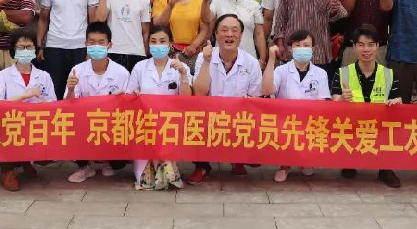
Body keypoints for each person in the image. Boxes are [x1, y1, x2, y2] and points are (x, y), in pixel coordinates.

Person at [187, 14, 263, 183]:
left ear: (241, 36)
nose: (229, 34)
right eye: (224, 30)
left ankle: (238, 159)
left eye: (234, 31)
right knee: (194, 120)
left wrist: (247, 103)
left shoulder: (251, 62)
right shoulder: (204, 56)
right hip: (209, 116)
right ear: (216, 34)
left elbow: (256, 97)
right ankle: (202, 166)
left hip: (239, 116)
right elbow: (199, 92)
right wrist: (207, 62)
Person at [0, 30, 58, 191]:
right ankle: (7, 171)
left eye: (29, 47)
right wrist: (24, 96)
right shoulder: (3, 75)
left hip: (36, 124)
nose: (25, 50)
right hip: (11, 124)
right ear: (13, 50)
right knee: (10, 129)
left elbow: (53, 103)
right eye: (21, 47)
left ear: (35, 49)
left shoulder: (44, 76)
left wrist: (44, 104)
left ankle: (26, 160)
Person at [335, 25, 403, 187]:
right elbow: (334, 101)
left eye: (371, 45)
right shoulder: (342, 72)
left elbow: (397, 98)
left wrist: (396, 102)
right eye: (361, 45)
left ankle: (385, 169)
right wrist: (342, 98)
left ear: (378, 46)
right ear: (354, 47)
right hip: (352, 124)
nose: (366, 49)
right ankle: (349, 162)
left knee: (394, 124)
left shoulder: (389, 73)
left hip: (379, 124)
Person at [127, 25, 192, 190]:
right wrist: (134, 95)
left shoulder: (180, 67)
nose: (158, 45)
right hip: (145, 126)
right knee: (145, 181)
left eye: (162, 41)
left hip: (170, 125)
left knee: (167, 179)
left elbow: (186, 99)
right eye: (153, 41)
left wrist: (183, 75)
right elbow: (130, 96)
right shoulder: (140, 67)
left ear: (170, 44)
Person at [66, 22, 132, 183]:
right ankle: (85, 165)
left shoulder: (121, 73)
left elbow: (129, 106)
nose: (96, 46)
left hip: (111, 123)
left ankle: (108, 161)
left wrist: (123, 99)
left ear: (109, 45)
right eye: (92, 42)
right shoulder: (77, 70)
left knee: (119, 158)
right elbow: (68, 107)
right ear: (86, 44)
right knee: (68, 124)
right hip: (85, 123)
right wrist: (71, 89)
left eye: (101, 42)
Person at [262, 30, 330, 182]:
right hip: (285, 121)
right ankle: (284, 165)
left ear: (313, 49)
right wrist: (271, 60)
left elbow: (322, 102)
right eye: (298, 45)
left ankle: (305, 160)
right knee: (285, 129)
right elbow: (266, 90)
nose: (302, 48)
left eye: (306, 45)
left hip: (309, 121)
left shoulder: (321, 74)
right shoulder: (281, 71)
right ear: (291, 48)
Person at [38, 0, 101, 98]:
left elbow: (93, 20)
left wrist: (91, 47)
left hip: (80, 46)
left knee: (79, 89)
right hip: (55, 46)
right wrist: (40, 45)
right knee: (56, 90)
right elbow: (43, 19)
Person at [152, 0, 212, 71]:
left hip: (193, 53)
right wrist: (170, 5)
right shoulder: (161, 0)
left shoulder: (199, 1)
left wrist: (193, 46)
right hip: (167, 53)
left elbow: (204, 29)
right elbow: (158, 24)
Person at [98, 0, 151, 73]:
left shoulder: (144, 0)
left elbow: (145, 31)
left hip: (137, 52)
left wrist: (145, 51)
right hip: (113, 51)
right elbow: (100, 18)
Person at [204, 0, 266, 65]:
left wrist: (262, 59)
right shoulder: (217, 2)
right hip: (221, 56)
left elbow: (259, 34)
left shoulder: (254, 5)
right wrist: (206, 1)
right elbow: (207, 18)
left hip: (248, 55)